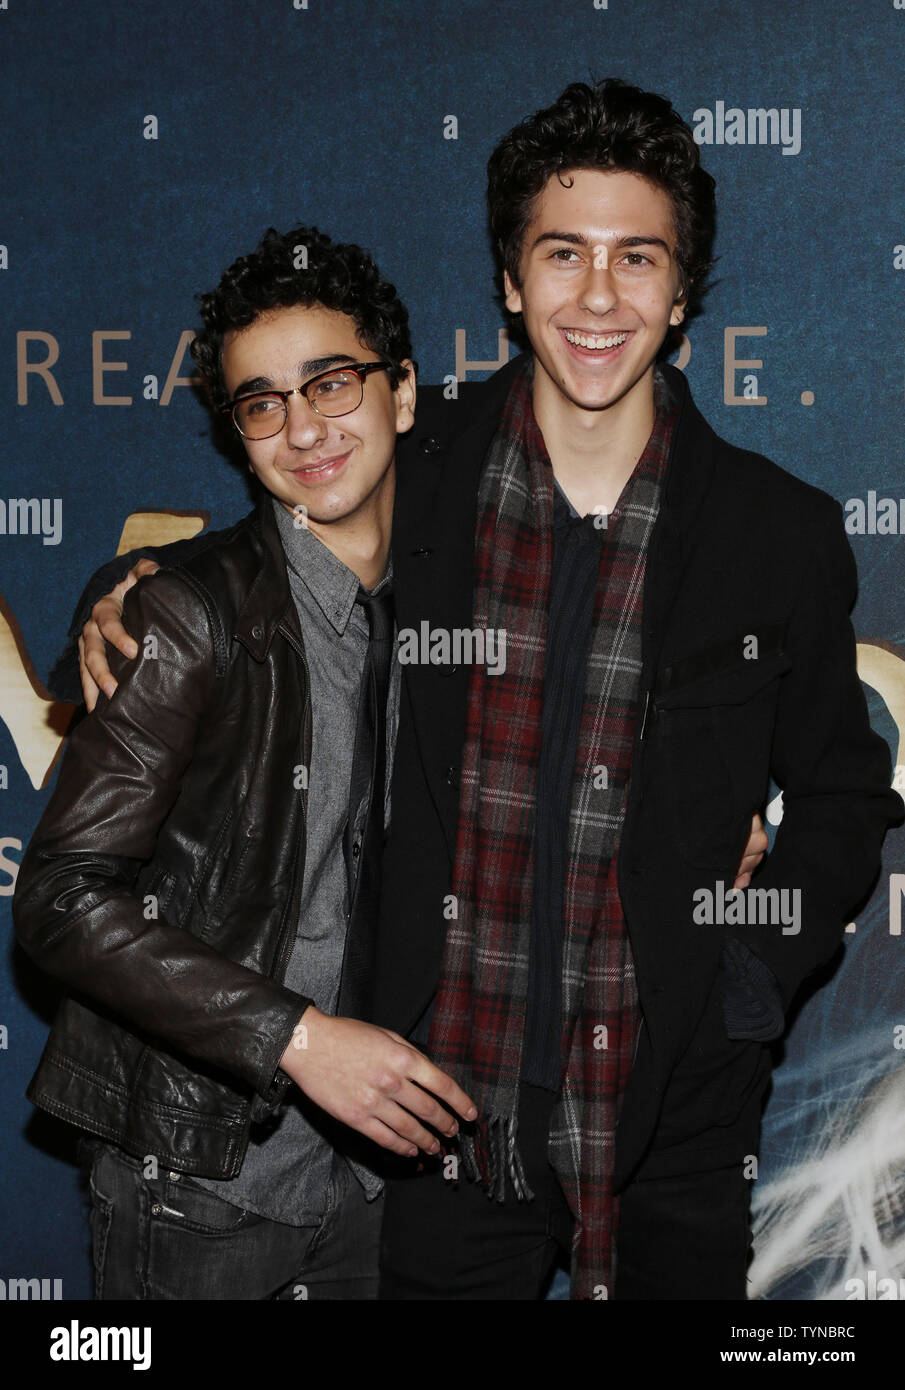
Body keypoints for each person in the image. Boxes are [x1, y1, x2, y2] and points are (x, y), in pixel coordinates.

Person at [62, 80, 843, 1302]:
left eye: (635, 258)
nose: (597, 296)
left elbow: (843, 787)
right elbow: (261, 556)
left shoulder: (776, 533)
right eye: (561, 254)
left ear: (680, 293)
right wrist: (117, 589)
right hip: (438, 1121)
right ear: (508, 281)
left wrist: (743, 977)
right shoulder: (418, 474)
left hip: (672, 1118)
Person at [13, 225, 476, 1301]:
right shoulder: (184, 614)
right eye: (262, 402)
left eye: (331, 383)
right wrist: (296, 1039)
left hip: (368, 1182)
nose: (302, 426)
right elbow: (58, 898)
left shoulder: (450, 602)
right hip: (200, 1183)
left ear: (403, 394)